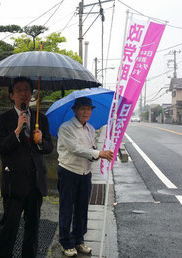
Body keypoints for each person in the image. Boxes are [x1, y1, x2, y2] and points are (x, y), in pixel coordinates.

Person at [0, 77, 53, 258]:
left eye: (27, 89)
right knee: (9, 227)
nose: (23, 93)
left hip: (35, 183)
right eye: (19, 90)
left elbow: (49, 148)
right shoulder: (2, 119)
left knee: (33, 228)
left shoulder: (40, 119)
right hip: (14, 184)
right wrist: (17, 131)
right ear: (11, 95)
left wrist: (41, 140)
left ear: (32, 94)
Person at [56, 97, 114, 257]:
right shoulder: (66, 128)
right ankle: (66, 242)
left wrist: (99, 153)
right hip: (68, 171)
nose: (86, 112)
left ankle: (78, 240)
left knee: (82, 208)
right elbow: (75, 149)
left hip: (85, 173)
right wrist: (98, 153)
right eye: (82, 108)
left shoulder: (90, 128)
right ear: (75, 110)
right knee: (67, 208)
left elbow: (90, 148)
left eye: (88, 109)